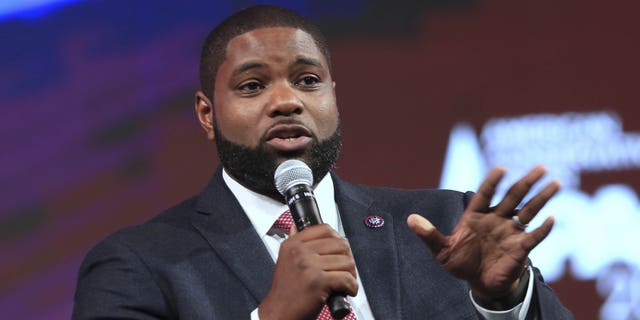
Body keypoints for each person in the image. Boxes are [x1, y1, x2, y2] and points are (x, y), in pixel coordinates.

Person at [72, 5, 574, 319]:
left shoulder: (445, 226)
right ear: (207, 114)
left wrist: (505, 303)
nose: (287, 101)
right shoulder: (137, 264)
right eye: (253, 86)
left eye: (308, 80)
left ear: (334, 97)